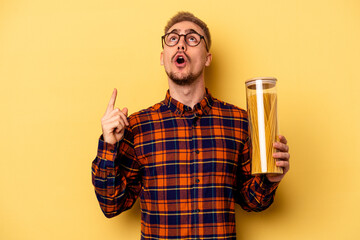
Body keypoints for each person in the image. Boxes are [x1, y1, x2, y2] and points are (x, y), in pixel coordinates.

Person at [92, 11, 290, 240]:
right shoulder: (137, 127)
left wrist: (270, 179)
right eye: (173, 38)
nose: (182, 44)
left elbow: (252, 202)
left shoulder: (240, 122)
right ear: (162, 56)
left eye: (192, 38)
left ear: (207, 57)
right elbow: (111, 204)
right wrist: (108, 145)